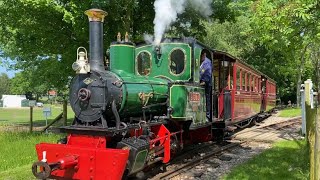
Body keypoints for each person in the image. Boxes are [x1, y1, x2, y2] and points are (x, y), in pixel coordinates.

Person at [200, 51, 212, 119]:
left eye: (202, 56)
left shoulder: (207, 63)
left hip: (207, 83)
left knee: (207, 98)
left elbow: (208, 73)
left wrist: (204, 81)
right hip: (201, 80)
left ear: (204, 55)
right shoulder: (201, 61)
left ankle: (207, 115)